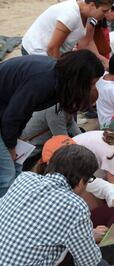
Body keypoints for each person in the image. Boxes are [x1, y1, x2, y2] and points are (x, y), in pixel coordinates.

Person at [0, 50, 104, 197]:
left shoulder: (59, 80)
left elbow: (25, 111)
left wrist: (15, 138)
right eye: (91, 83)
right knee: (6, 175)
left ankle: (17, 204)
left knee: (16, 167)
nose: (90, 88)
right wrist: (10, 145)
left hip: (6, 112)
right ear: (80, 77)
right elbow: (13, 116)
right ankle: (7, 214)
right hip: (6, 115)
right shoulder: (44, 81)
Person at [0, 144, 111, 266]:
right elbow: (89, 261)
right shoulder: (75, 205)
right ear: (81, 182)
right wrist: (86, 238)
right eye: (90, 180)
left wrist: (86, 233)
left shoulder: (24, 178)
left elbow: (29, 225)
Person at [21, 0, 114, 57]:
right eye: (104, 11)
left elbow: (86, 43)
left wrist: (102, 60)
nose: (106, 15)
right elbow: (52, 48)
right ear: (92, 5)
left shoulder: (89, 14)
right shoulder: (71, 15)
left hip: (54, 51)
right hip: (36, 51)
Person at [20, 104, 82, 169]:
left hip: (42, 146)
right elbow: (63, 141)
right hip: (32, 153)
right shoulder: (55, 109)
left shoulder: (64, 105)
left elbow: (72, 125)